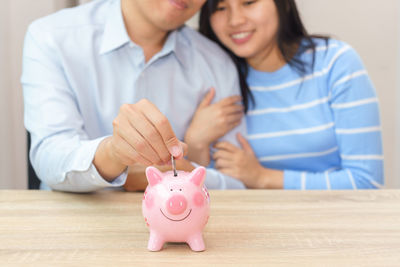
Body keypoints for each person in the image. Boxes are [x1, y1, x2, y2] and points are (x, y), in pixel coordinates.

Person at [21, 0, 247, 192]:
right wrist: (114, 156)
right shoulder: (52, 38)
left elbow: (237, 183)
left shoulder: (217, 63)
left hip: (184, 229)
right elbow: (48, 155)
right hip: (72, 224)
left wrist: (187, 170)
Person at [185, 0, 384, 189]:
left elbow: (366, 181)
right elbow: (209, 190)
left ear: (284, 4)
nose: (235, 20)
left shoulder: (334, 63)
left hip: (337, 219)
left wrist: (262, 178)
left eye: (249, 2)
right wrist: (195, 143)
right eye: (220, 7)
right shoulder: (215, 80)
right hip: (253, 220)